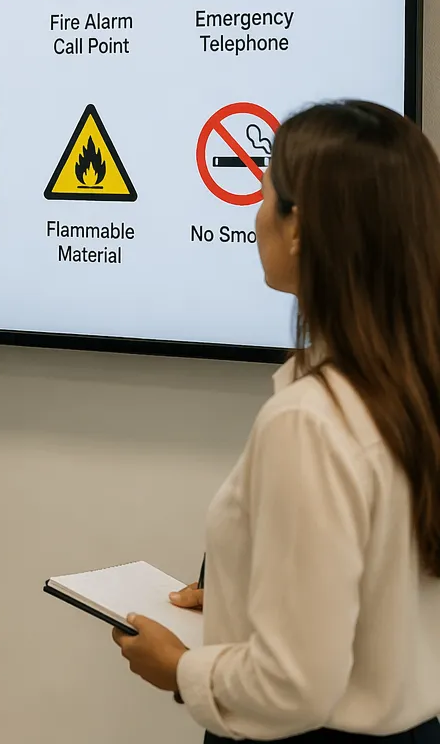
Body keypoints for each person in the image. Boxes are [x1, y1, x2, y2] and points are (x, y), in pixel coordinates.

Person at [113, 101, 440, 742]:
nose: (254, 214)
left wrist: (180, 669)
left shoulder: (312, 421)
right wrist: (249, 583)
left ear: (299, 229)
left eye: (265, 191)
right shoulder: (414, 388)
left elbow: (293, 686)